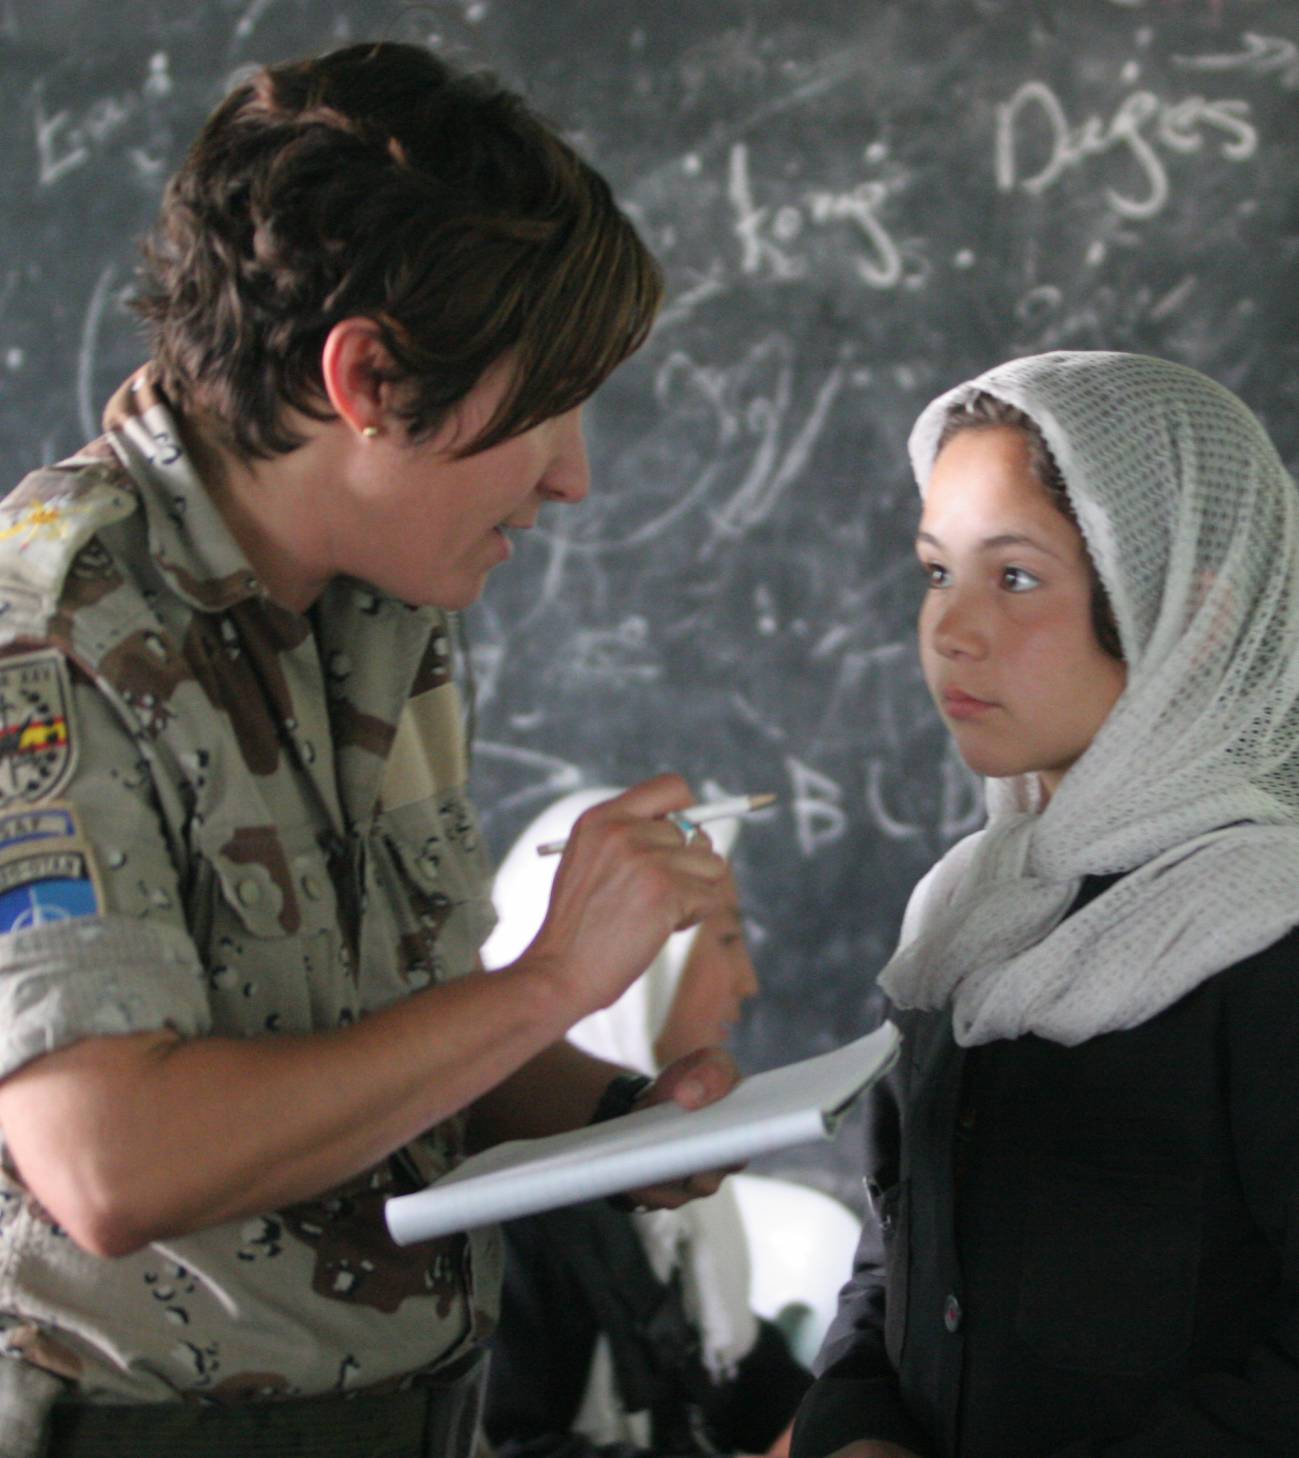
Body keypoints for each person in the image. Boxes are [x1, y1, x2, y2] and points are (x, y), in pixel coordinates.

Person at [0, 42, 741, 1458]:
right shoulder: (46, 630)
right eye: (546, 406)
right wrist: (551, 985)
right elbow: (105, 1159)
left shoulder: (388, 608)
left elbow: (390, 1036)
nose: (574, 474)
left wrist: (621, 1118)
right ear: (369, 377)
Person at [790, 351, 1299, 1458]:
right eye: (936, 572)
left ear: (1190, 619)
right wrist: (857, 1433)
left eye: (1013, 577)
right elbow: (896, 1252)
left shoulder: (1269, 933)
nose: (950, 629)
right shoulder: (959, 918)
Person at [479, 788, 810, 1458]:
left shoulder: (678, 1202)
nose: (745, 981)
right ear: (637, 964)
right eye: (723, 939)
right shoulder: (503, 1209)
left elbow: (727, 1373)